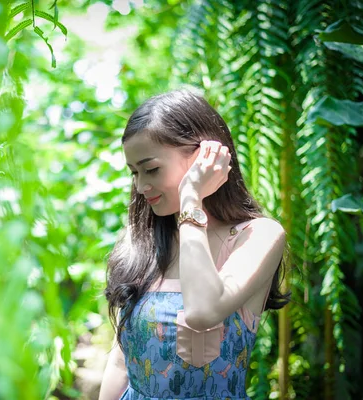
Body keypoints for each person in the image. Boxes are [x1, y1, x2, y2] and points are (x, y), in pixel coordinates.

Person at [98, 89, 290, 400]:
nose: (141, 186)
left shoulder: (257, 236)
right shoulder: (139, 242)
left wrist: (191, 199)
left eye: (152, 169)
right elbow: (120, 362)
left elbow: (203, 311)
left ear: (205, 156)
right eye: (135, 173)